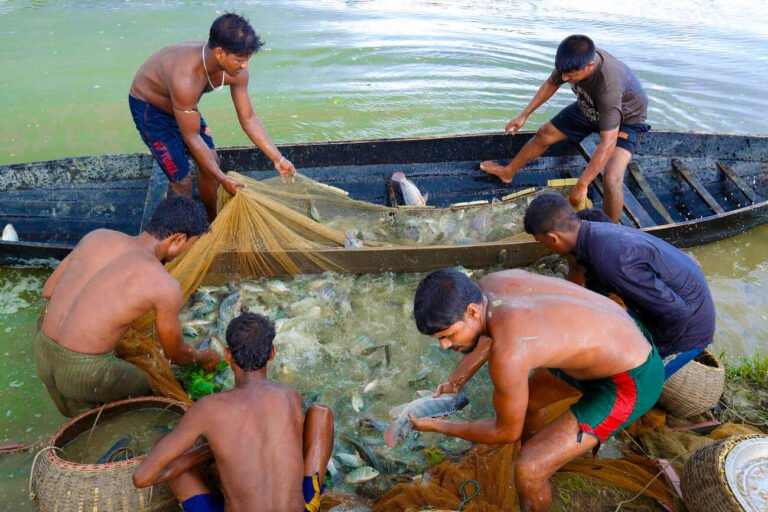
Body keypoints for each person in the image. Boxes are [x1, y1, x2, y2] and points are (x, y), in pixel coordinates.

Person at [410, 268, 663, 512]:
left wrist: (437, 425)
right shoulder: (492, 284)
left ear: (472, 311)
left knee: (527, 469)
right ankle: (544, 457)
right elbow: (492, 331)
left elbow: (506, 432)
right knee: (529, 404)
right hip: (609, 340)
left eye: (448, 335)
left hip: (630, 380)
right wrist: (456, 380)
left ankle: (536, 472)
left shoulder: (509, 355)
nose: (444, 346)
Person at [36, 196, 220, 417]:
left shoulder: (97, 237)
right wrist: (202, 357)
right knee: (154, 387)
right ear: (179, 239)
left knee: (81, 418)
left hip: (42, 352)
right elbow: (176, 355)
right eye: (190, 246)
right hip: (84, 372)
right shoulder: (163, 285)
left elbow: (48, 290)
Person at [133, 312, 335, 512]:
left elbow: (142, 478)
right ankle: (314, 497)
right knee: (321, 412)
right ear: (272, 353)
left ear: (228, 355)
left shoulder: (208, 408)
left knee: (164, 446)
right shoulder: (290, 396)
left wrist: (208, 452)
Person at [523, 193, 716, 379]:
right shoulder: (591, 233)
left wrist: (648, 354)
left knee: (632, 384)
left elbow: (677, 313)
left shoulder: (612, 259)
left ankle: (647, 379)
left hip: (687, 328)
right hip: (660, 308)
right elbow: (595, 292)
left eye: (544, 243)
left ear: (553, 238)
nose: (548, 249)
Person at [129, 13, 297, 221]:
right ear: (219, 54)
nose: (245, 65)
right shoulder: (187, 77)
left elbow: (248, 118)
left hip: (184, 107)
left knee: (212, 161)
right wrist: (223, 178)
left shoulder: (237, 70)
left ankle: (212, 218)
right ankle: (189, 230)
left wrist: (277, 158)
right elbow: (191, 137)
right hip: (152, 109)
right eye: (240, 59)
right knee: (182, 180)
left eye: (248, 58)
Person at [480, 35, 649, 222]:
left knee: (611, 178)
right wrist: (524, 115)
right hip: (589, 107)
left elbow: (608, 143)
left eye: (570, 76)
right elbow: (551, 83)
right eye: (562, 73)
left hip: (626, 119)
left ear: (589, 67)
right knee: (544, 133)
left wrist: (583, 183)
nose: (564, 78)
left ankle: (609, 230)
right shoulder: (571, 62)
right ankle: (507, 173)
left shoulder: (609, 87)